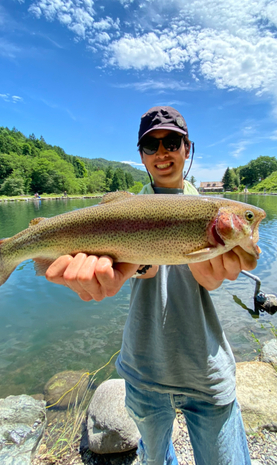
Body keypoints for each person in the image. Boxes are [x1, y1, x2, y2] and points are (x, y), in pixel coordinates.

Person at [44, 106, 258, 465]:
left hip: (205, 369)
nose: (162, 153)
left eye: (171, 142)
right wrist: (121, 270)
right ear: (140, 155)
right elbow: (142, 269)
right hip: (144, 369)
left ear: (187, 149)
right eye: (151, 145)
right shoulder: (127, 208)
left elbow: (208, 278)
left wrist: (216, 264)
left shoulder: (209, 210)